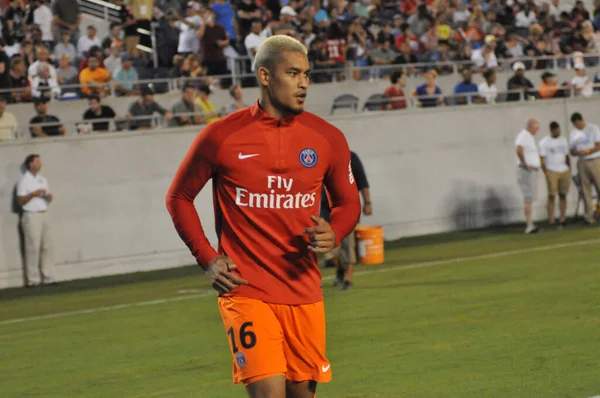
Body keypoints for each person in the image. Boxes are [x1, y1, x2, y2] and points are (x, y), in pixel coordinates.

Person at [165, 35, 361, 398]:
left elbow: (348, 203)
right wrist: (207, 258)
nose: (303, 83)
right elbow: (179, 197)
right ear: (265, 76)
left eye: (307, 74)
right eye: (293, 73)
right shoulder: (221, 136)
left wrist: (334, 233)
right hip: (246, 290)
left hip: (303, 291)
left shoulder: (327, 138)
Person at [321, 151, 372, 290]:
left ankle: (348, 280)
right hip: (325, 211)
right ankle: (339, 268)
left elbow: (362, 182)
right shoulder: (320, 158)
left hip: (347, 209)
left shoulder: (351, 157)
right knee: (329, 251)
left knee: (348, 246)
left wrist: (367, 203)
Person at [16, 154, 55, 287]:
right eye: (37, 161)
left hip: (43, 214)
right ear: (31, 164)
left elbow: (47, 198)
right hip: (31, 215)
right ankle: (33, 280)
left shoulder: (42, 179)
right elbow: (20, 200)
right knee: (32, 248)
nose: (40, 163)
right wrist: (33, 194)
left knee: (47, 246)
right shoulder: (24, 180)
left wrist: (48, 196)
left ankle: (48, 277)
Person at [569, 112, 600, 224]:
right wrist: (575, 151)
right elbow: (571, 150)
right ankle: (589, 216)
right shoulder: (574, 133)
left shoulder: (593, 128)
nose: (576, 126)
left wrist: (587, 151)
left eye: (577, 124)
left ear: (580, 121)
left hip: (594, 160)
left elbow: (598, 145)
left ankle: (598, 212)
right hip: (581, 162)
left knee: (599, 187)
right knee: (585, 190)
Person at [539, 121, 571, 227]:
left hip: (564, 170)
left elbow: (566, 156)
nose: (557, 131)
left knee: (563, 195)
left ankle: (563, 219)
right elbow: (542, 159)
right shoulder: (544, 142)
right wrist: (546, 172)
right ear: (551, 130)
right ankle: (552, 220)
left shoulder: (563, 140)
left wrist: (568, 169)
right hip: (552, 170)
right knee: (552, 195)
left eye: (558, 129)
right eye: (555, 130)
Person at [515, 118, 541, 234]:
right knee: (528, 197)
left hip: (530, 171)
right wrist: (525, 163)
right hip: (525, 171)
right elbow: (518, 149)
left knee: (529, 198)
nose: (538, 129)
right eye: (536, 127)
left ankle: (531, 223)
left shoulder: (529, 137)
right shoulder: (523, 136)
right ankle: (529, 225)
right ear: (531, 126)